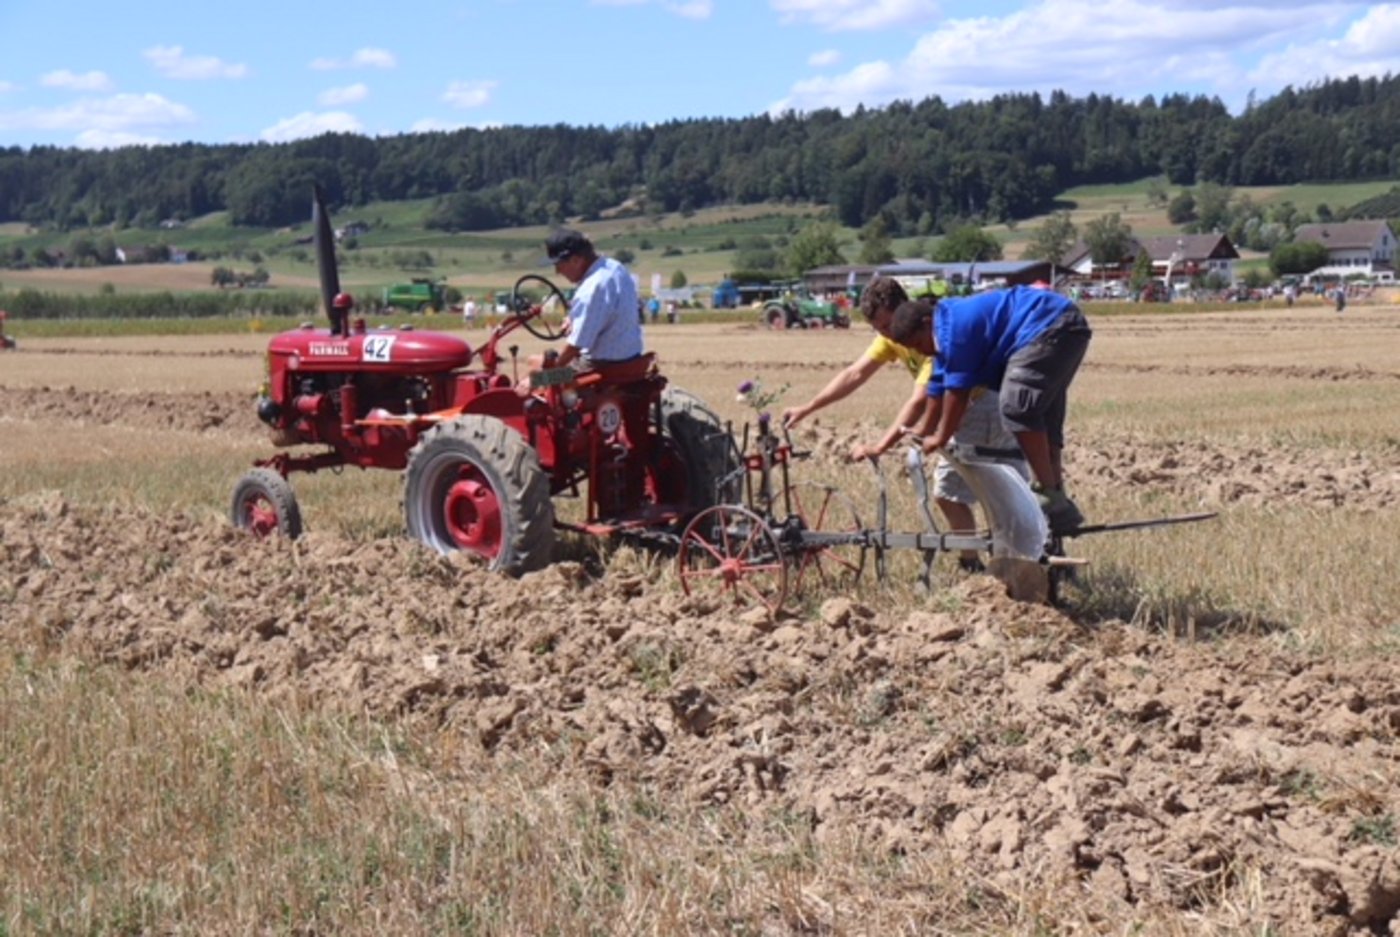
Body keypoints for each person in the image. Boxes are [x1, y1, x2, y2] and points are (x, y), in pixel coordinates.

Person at [781, 277, 1029, 571]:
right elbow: (855, 374)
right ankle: (975, 563)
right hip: (964, 409)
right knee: (953, 493)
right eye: (879, 330)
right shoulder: (895, 336)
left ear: (904, 312)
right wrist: (808, 407)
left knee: (992, 493)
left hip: (981, 405)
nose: (889, 336)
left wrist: (881, 445)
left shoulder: (929, 336)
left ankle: (1013, 563)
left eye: (887, 326)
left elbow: (919, 400)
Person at [890, 285, 1092, 535]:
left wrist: (941, 436)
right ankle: (1059, 503)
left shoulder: (955, 330)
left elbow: (958, 393)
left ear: (926, 322)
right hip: (1062, 325)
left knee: (1017, 407)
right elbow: (937, 385)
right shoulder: (944, 329)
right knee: (1043, 417)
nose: (921, 351)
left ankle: (1048, 492)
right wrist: (925, 429)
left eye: (919, 343)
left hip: (1050, 324)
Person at [541, 227, 642, 369]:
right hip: (631, 359)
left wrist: (547, 375)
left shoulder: (592, 288)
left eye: (559, 266)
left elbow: (575, 345)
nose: (557, 272)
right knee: (534, 362)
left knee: (535, 375)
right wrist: (572, 319)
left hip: (599, 367)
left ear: (576, 260)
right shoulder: (615, 267)